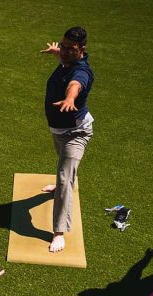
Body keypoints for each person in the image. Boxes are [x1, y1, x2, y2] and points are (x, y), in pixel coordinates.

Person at [40, 26, 94, 253]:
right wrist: (57, 51)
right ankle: (65, 182)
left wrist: (70, 98)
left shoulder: (81, 72)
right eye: (61, 45)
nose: (63, 51)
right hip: (58, 132)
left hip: (76, 134)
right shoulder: (66, 59)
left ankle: (59, 233)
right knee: (65, 169)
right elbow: (64, 59)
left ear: (81, 49)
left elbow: (75, 84)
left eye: (68, 48)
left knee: (64, 179)